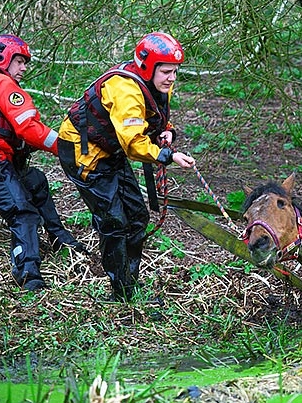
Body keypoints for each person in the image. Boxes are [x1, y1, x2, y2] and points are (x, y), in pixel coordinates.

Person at [57, 32, 197, 301]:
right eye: (167, 71)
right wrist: (167, 156)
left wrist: (166, 133)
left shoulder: (155, 83)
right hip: (82, 151)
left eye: (175, 72)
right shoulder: (126, 89)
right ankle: (119, 293)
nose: (172, 78)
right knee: (114, 221)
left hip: (110, 149)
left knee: (137, 217)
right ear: (148, 67)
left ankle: (128, 284)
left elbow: (152, 116)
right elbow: (133, 143)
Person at [0, 34, 85, 291]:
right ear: (3, 58)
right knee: (22, 211)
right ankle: (28, 274)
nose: (24, 68)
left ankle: (59, 238)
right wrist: (65, 148)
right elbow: (29, 128)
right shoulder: (1, 84)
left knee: (35, 182)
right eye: (19, 61)